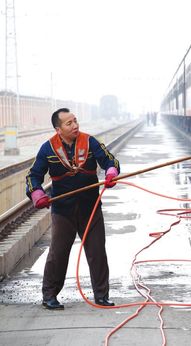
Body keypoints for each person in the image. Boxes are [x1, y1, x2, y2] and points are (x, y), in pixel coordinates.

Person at [25, 108, 120, 310]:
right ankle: (49, 296)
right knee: (58, 254)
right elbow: (33, 176)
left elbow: (109, 160)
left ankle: (102, 295)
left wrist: (111, 172)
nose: (75, 125)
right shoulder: (48, 149)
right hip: (63, 211)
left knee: (97, 252)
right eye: (69, 123)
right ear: (58, 129)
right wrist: (38, 195)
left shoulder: (90, 142)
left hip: (90, 206)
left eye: (75, 121)